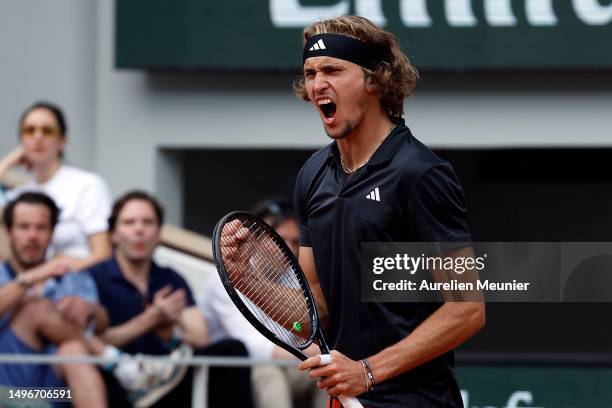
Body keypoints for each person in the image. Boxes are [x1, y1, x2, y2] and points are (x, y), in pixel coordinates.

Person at [288, 16, 486, 407]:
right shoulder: (312, 176)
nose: (317, 84)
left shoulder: (420, 173)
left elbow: (467, 310)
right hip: (347, 401)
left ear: (374, 81)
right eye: (310, 73)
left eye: (332, 70)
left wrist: (367, 371)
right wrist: (247, 276)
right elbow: (314, 305)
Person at [88, 190, 253, 407]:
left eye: (147, 222)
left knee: (233, 350)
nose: (139, 229)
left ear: (158, 234)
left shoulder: (171, 278)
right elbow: (85, 340)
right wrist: (151, 319)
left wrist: (172, 333)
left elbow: (201, 338)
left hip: (167, 383)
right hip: (117, 386)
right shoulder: (92, 277)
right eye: (129, 222)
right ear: (113, 234)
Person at [199, 198, 326, 408]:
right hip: (232, 373)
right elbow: (252, 347)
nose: (289, 249)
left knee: (326, 374)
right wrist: (311, 352)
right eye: (280, 239)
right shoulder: (221, 278)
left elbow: (296, 329)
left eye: (295, 242)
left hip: (288, 365)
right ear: (257, 239)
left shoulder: (295, 278)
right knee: (268, 372)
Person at [0, 192, 108, 408]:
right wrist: (29, 279)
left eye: (41, 228)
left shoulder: (72, 277)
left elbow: (103, 325)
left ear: (52, 233)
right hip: (8, 394)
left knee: (74, 350)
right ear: (9, 232)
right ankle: (115, 361)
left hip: (57, 396)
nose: (32, 236)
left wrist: (89, 309)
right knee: (36, 309)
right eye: (24, 227)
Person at [0, 101, 112, 270]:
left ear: (63, 141)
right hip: (26, 288)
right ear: (21, 141)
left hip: (79, 284)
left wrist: (51, 272)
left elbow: (104, 254)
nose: (38, 137)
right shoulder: (19, 195)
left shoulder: (87, 185)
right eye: (29, 131)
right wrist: (6, 163)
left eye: (47, 131)